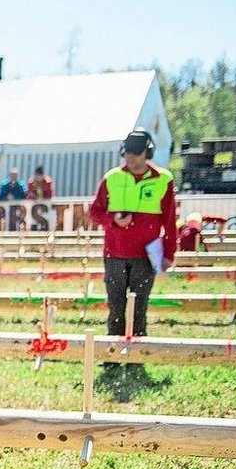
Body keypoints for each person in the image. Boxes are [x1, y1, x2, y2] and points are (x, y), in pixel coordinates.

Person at [88, 129, 176, 343]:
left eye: (136, 153)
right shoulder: (112, 177)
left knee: (139, 307)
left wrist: (169, 254)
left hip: (146, 256)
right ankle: (114, 351)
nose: (131, 158)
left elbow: (170, 220)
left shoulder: (164, 179)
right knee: (116, 305)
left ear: (148, 152)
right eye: (127, 153)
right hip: (115, 253)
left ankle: (137, 350)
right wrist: (113, 220)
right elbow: (94, 212)